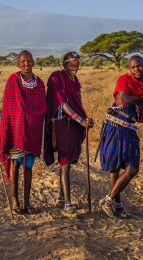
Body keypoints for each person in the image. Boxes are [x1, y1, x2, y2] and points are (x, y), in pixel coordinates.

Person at [99, 55, 143, 218]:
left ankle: (108, 200)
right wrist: (142, 98)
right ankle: (117, 206)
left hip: (130, 129)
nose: (136, 69)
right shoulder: (124, 79)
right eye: (133, 67)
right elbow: (126, 99)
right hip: (115, 126)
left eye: (139, 66)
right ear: (129, 69)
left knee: (133, 168)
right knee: (114, 168)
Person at [44, 52, 94, 218]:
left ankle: (59, 196)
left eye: (77, 65)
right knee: (65, 163)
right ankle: (68, 204)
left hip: (72, 124)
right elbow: (61, 102)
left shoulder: (75, 80)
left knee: (68, 163)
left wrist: (84, 120)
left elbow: (76, 102)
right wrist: (79, 119)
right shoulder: (56, 77)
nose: (74, 68)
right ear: (64, 64)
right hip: (61, 124)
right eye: (71, 65)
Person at [0, 51, 46, 214]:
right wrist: (22, 117)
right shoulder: (13, 80)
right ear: (18, 63)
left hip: (32, 129)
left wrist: (30, 117)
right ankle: (15, 201)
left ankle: (27, 202)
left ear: (33, 62)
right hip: (16, 129)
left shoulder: (39, 83)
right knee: (14, 164)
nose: (27, 64)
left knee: (28, 166)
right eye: (23, 61)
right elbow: (9, 107)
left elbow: (42, 107)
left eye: (29, 60)